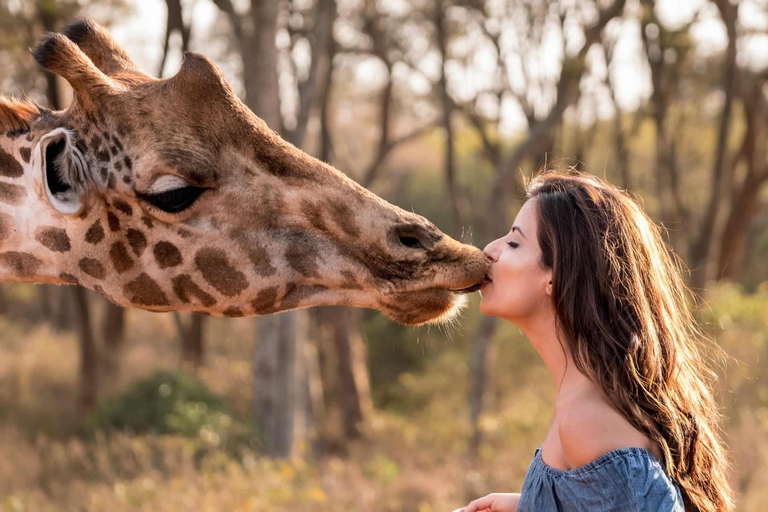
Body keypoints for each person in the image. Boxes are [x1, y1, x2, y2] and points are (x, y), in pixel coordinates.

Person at [455, 172, 732, 512]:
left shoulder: (586, 422)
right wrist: (529, 506)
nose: (490, 250)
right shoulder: (585, 402)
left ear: (557, 275)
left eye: (514, 243)